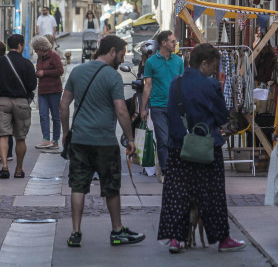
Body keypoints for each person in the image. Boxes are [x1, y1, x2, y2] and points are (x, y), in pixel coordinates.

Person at [158, 43, 247, 253]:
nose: (215, 71)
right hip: (207, 147)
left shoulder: (175, 84)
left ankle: (175, 239)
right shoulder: (211, 85)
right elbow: (220, 116)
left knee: (177, 193)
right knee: (212, 194)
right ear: (204, 63)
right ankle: (222, 239)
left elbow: (171, 114)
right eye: (213, 66)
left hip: (179, 146)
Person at [60, 35, 145, 248]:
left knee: (78, 186)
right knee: (111, 186)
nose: (122, 58)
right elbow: (121, 110)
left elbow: (63, 105)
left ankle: (75, 232)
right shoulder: (112, 76)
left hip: (79, 139)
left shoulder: (77, 71)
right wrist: (130, 138)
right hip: (105, 141)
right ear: (112, 51)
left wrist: (65, 132)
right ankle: (117, 231)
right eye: (122, 54)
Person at [0, 34, 37, 179]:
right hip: (21, 102)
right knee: (20, 138)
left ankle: (4, 167)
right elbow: (32, 85)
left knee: (3, 135)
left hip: (3, 101)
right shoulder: (27, 63)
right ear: (21, 45)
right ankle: (19, 169)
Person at [141, 30, 184, 181]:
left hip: (175, 107)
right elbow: (148, 86)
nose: (175, 44)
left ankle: (175, 168)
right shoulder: (151, 62)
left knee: (177, 138)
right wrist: (143, 108)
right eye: (172, 41)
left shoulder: (179, 61)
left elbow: (182, 84)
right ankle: (166, 171)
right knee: (163, 139)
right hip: (158, 106)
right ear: (164, 43)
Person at [31, 36, 64, 150]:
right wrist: (37, 73)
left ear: (41, 48)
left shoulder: (53, 56)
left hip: (54, 90)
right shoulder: (40, 58)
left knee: (55, 116)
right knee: (43, 115)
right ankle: (46, 139)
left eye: (36, 49)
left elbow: (60, 71)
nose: (35, 51)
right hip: (42, 90)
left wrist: (44, 73)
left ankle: (55, 141)